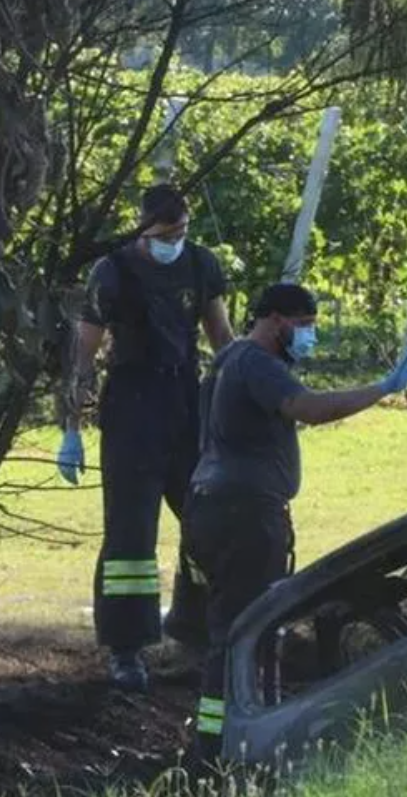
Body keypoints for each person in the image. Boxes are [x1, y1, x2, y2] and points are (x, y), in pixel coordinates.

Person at [185, 283, 407, 762]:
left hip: (214, 508)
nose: (309, 336)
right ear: (275, 321)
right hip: (245, 517)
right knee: (251, 633)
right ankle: (230, 749)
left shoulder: (228, 358)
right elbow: (310, 409)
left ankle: (218, 741)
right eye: (305, 325)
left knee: (232, 632)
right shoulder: (258, 365)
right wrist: (382, 388)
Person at [57, 184, 234, 691]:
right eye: (164, 235)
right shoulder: (111, 272)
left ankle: (196, 631)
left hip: (186, 401)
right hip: (132, 407)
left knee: (206, 519)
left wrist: (250, 385)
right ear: (142, 229)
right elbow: (83, 356)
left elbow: (222, 338)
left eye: (180, 232)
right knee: (131, 535)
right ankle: (126, 649)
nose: (173, 241)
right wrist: (72, 427)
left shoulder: (201, 265)